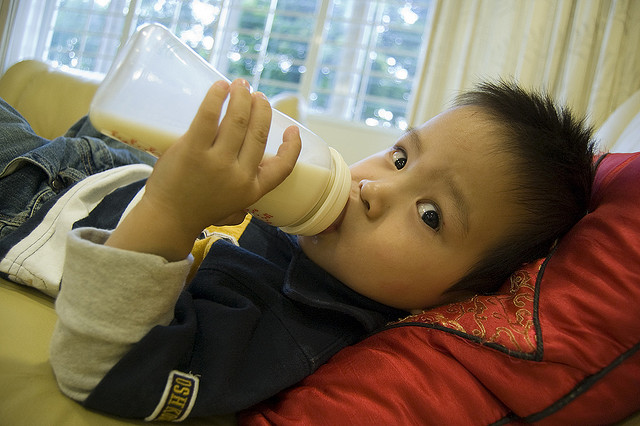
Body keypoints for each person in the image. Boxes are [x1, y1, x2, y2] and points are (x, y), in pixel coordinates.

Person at [0, 78, 595, 420]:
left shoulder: (298, 329)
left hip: (29, 199)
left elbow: (102, 370)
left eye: (430, 215)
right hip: (88, 162)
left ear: (455, 299)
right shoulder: (310, 239)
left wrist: (172, 211)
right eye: (400, 157)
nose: (375, 190)